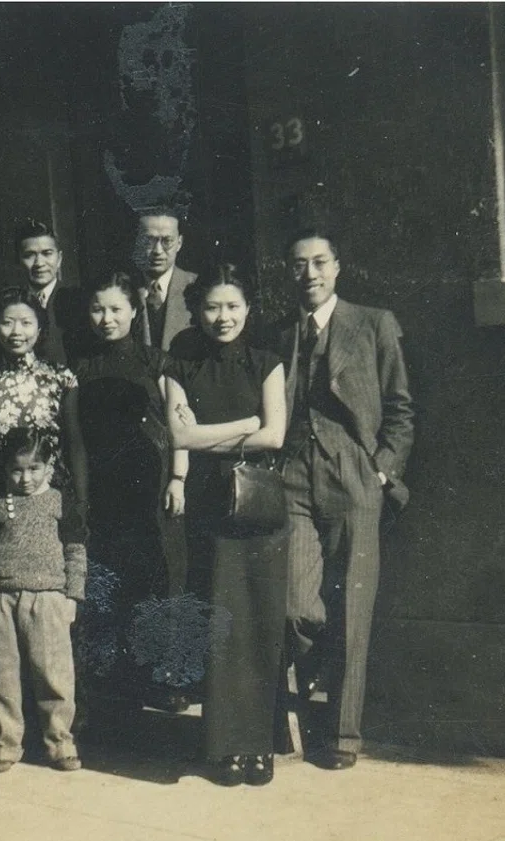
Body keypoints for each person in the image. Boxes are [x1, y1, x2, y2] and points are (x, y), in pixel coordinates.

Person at [274, 228, 414, 771]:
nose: (308, 274)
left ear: (337, 268)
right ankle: (316, 687)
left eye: (318, 263)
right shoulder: (279, 332)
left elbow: (401, 408)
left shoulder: (373, 323)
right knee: (297, 604)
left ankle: (343, 736)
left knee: (353, 609)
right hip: (292, 473)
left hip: (354, 473)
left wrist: (382, 469)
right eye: (298, 264)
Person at [164, 264, 288, 787]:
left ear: (248, 309)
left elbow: (277, 436)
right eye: (212, 307)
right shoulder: (178, 365)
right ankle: (225, 748)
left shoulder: (267, 363)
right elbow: (180, 438)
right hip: (210, 507)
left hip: (257, 509)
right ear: (196, 311)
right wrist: (244, 426)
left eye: (233, 306)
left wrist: (206, 434)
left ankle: (259, 747)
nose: (223, 317)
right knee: (221, 624)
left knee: (260, 623)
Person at [73, 271, 190, 712]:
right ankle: (120, 683)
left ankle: (164, 678)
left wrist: (178, 478)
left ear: (133, 310)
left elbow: (182, 426)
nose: (106, 319)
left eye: (116, 309)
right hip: (105, 489)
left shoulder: (157, 362)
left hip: (153, 486)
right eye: (98, 310)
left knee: (160, 578)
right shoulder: (81, 367)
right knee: (113, 582)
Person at [0, 428, 86, 773]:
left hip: (48, 599)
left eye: (34, 468)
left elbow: (76, 551)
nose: (25, 478)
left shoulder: (60, 502)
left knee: (53, 674)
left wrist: (73, 596)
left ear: (49, 467)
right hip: (1, 599)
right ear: (5, 470)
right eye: (17, 470)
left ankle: (59, 741)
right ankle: (5, 741)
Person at [0, 285, 88, 547]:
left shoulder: (62, 379)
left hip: (55, 501)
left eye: (26, 323)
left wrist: (82, 503)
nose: (16, 332)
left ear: (39, 328)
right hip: (3, 504)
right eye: (7, 323)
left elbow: (75, 444)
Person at [16, 219, 86, 365]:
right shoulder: (13, 304)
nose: (39, 263)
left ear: (59, 258)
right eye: (29, 255)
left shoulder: (79, 300)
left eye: (47, 253)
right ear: (18, 261)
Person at [133, 211, 197, 351]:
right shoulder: (124, 288)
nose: (158, 250)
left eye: (167, 241)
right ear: (138, 241)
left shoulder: (197, 287)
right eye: (149, 240)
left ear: (179, 243)